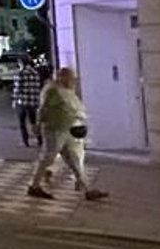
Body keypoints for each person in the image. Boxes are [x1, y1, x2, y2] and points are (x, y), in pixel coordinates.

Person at [27, 67, 108, 202]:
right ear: (62, 77)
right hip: (55, 129)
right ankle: (33, 186)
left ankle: (87, 189)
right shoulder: (52, 90)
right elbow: (43, 109)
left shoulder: (67, 90)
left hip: (69, 130)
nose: (74, 81)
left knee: (75, 159)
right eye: (71, 78)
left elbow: (74, 107)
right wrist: (38, 124)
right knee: (48, 158)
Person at [12, 58, 44, 148]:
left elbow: (17, 89)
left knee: (22, 123)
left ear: (21, 63)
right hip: (33, 102)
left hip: (22, 102)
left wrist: (14, 100)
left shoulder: (20, 74)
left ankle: (25, 141)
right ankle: (39, 139)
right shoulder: (36, 73)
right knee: (33, 122)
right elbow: (38, 87)